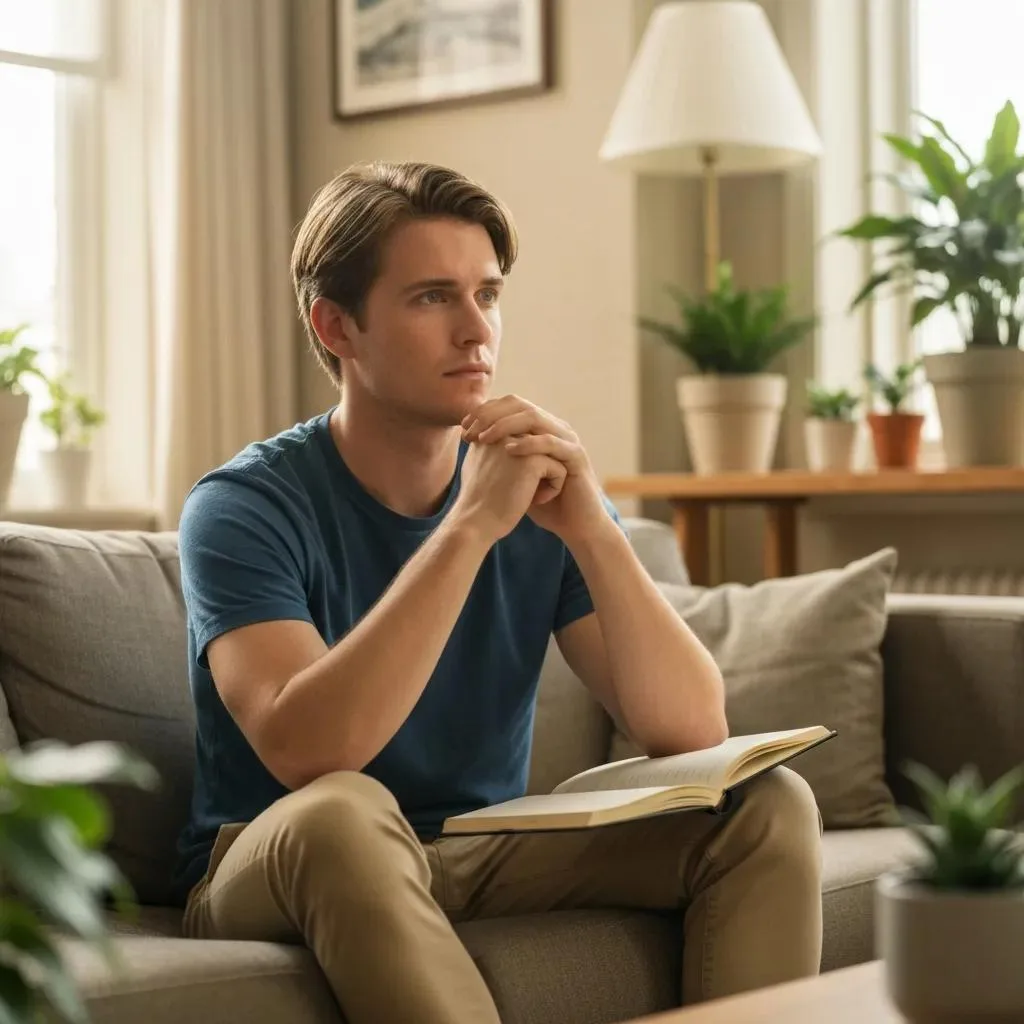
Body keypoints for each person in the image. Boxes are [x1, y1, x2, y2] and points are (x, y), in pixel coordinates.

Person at [173, 161, 823, 1022]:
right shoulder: (242, 507)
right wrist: (469, 527)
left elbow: (692, 730)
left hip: (475, 847)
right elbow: (310, 752)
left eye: (488, 293)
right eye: (432, 298)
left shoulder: (533, 493)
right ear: (336, 326)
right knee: (343, 810)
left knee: (762, 803)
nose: (477, 331)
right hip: (277, 857)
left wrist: (591, 525)